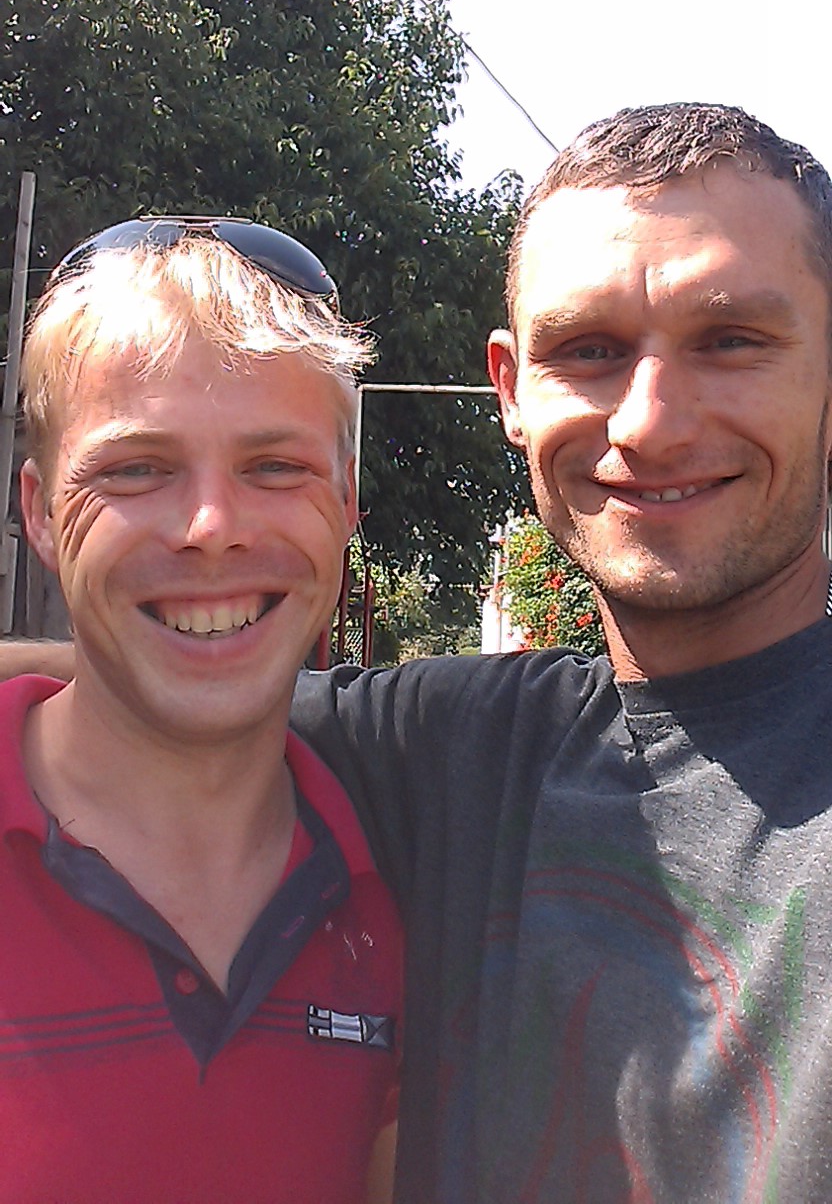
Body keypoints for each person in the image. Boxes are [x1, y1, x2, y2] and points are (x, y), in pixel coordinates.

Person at [9, 101, 832, 1203]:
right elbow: (161, 678)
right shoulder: (444, 754)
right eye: (588, 351)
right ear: (512, 391)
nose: (652, 421)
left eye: (730, 341)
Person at [0, 218, 401, 1204]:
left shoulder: (412, 885)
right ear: (40, 511)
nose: (211, 527)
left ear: (347, 499)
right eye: (137, 468)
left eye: (276, 467)